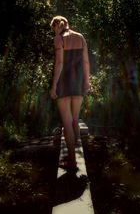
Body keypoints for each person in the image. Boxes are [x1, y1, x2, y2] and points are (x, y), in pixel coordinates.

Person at [49, 16, 90, 172]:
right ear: (68, 24)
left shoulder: (59, 39)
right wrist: (87, 81)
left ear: (56, 27)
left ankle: (72, 162)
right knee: (74, 120)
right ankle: (73, 158)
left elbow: (59, 63)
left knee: (67, 122)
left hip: (64, 83)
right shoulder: (80, 37)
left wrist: (53, 86)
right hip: (78, 82)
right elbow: (86, 62)